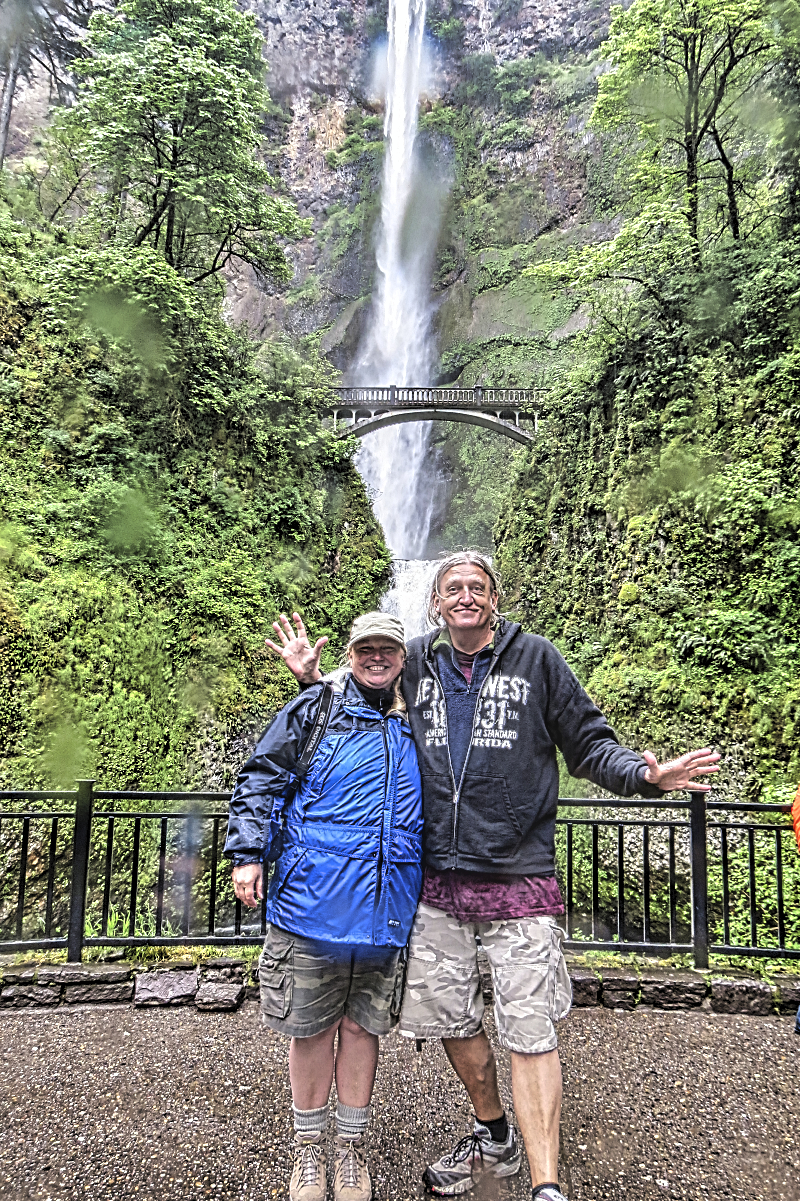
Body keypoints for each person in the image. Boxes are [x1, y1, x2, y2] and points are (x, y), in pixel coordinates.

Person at [272, 552, 720, 1201]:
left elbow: (589, 742)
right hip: (437, 884)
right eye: (453, 587)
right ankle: (495, 1134)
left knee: (530, 1028)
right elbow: (361, 696)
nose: (465, 596)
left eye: (476, 586)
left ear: (494, 597)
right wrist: (314, 680)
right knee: (453, 1019)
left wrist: (644, 775)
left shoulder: (537, 659)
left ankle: (546, 1185)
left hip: (519, 877)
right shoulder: (416, 659)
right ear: (435, 600)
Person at [224, 612, 423, 1201]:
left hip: (386, 908)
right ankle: (309, 1154)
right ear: (351, 654)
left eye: (388, 648)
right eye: (367, 649)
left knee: (363, 1029)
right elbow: (260, 777)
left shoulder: (420, 720)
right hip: (313, 902)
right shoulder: (315, 710)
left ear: (403, 657)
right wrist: (248, 853)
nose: (378, 658)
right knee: (310, 1029)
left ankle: (352, 1151)